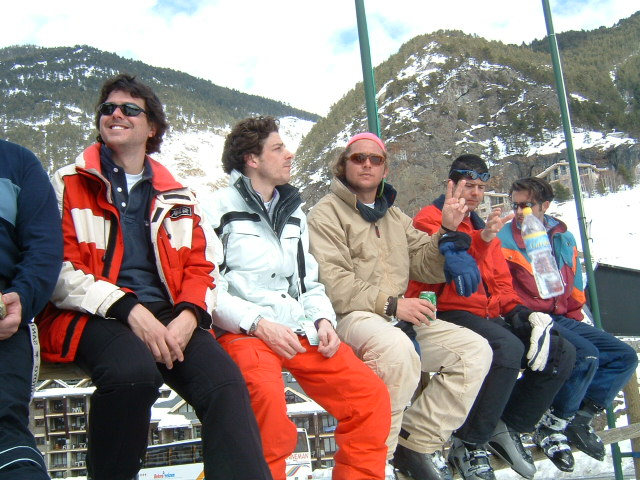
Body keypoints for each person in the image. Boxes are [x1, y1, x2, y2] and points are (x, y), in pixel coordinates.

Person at [35, 74, 271, 480]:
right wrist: (127, 308)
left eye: (130, 109)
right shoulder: (67, 184)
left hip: (167, 313)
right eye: (108, 108)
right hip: (91, 313)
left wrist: (189, 316)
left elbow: (202, 265)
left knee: (226, 384)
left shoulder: (177, 194)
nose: (116, 114)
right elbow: (56, 268)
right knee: (132, 375)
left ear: (152, 128)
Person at [208, 117, 391, 480]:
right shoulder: (215, 208)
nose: (289, 154)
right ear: (252, 159)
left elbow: (308, 283)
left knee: (369, 397)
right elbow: (209, 288)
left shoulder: (293, 213)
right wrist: (258, 324)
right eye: (278, 148)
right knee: (265, 406)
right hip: (244, 331)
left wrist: (323, 320)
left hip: (297, 327)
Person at [307, 132, 493, 480]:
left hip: (395, 316)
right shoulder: (325, 214)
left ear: (385, 169)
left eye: (375, 159)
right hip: (350, 317)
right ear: (343, 165)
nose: (367, 164)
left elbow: (425, 264)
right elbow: (334, 283)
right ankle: (377, 461)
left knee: (474, 351)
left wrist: (446, 231)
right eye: (358, 158)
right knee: (397, 353)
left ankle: (414, 443)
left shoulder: (393, 216)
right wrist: (393, 305)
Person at [406, 154, 577, 480]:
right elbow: (442, 262)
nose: (475, 193)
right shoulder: (430, 218)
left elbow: (500, 282)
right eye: (469, 185)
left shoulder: (482, 226)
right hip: (447, 310)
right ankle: (469, 441)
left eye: (481, 188)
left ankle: (507, 425)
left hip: (487, 313)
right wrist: (479, 240)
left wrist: (520, 313)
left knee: (559, 349)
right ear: (451, 184)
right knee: (506, 349)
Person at [498, 176, 638, 464]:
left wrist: (576, 317)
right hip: (527, 317)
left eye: (527, 205)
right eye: (516, 205)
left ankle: (578, 418)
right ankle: (552, 425)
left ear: (545, 206)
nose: (520, 212)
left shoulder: (563, 236)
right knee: (585, 355)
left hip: (562, 315)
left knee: (623, 356)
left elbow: (573, 283)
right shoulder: (504, 238)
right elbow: (499, 287)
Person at [0, 140, 62, 480]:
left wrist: (22, 298)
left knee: (5, 427)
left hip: (4, 313)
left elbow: (44, 246)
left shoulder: (17, 163)